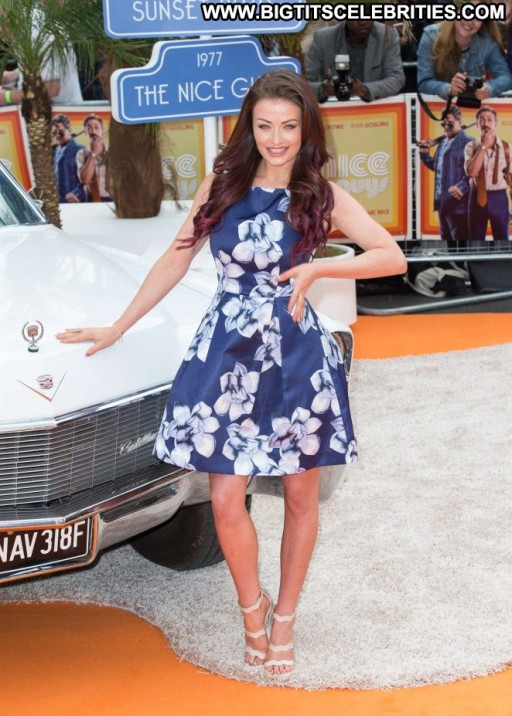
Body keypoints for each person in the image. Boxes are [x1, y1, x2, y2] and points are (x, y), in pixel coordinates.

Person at [56, 70, 406, 677]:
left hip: (297, 356)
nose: (277, 138)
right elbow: (175, 258)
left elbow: (390, 256)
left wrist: (317, 270)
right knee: (224, 497)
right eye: (265, 125)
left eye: (289, 127)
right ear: (249, 127)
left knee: (300, 493)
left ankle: (285, 617)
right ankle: (252, 610)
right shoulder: (221, 185)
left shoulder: (320, 194)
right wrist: (118, 326)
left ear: (306, 130)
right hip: (228, 356)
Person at [417, 3, 512, 101]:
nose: (470, 21)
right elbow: (423, 82)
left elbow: (506, 78)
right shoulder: (431, 35)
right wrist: (449, 88)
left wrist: (489, 88)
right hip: (437, 106)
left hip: (473, 107)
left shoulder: (487, 41)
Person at [305, 20, 405, 103]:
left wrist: (365, 90)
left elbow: (397, 78)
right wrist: (322, 90)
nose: (362, 21)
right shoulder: (323, 38)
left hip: (375, 112)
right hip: (334, 112)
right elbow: (304, 83)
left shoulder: (387, 34)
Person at [418, 105, 473, 248]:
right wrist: (424, 154)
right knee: (450, 246)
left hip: (459, 206)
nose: (446, 127)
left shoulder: (468, 143)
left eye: (450, 124)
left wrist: (461, 188)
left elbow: (475, 173)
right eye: (443, 124)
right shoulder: (443, 143)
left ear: (459, 122)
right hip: (442, 204)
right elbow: (437, 167)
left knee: (462, 247)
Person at [464, 105, 512, 241]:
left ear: (496, 123)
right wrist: (483, 146)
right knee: (475, 241)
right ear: (477, 124)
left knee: (502, 241)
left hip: (499, 198)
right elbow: (471, 172)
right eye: (482, 120)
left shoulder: (507, 148)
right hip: (476, 197)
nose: (485, 123)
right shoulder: (470, 146)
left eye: (489, 120)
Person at [76, 114, 111, 202]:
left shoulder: (113, 152)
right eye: (89, 128)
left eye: (96, 127)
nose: (93, 131)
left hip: (113, 199)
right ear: (85, 132)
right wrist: (93, 154)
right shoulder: (82, 153)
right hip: (92, 200)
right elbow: (85, 179)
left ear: (102, 130)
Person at [51, 114, 86, 204]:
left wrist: (76, 194)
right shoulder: (57, 151)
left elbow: (86, 179)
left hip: (75, 202)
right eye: (54, 133)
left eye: (60, 132)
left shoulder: (80, 150)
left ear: (68, 130)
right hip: (60, 202)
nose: (57, 135)